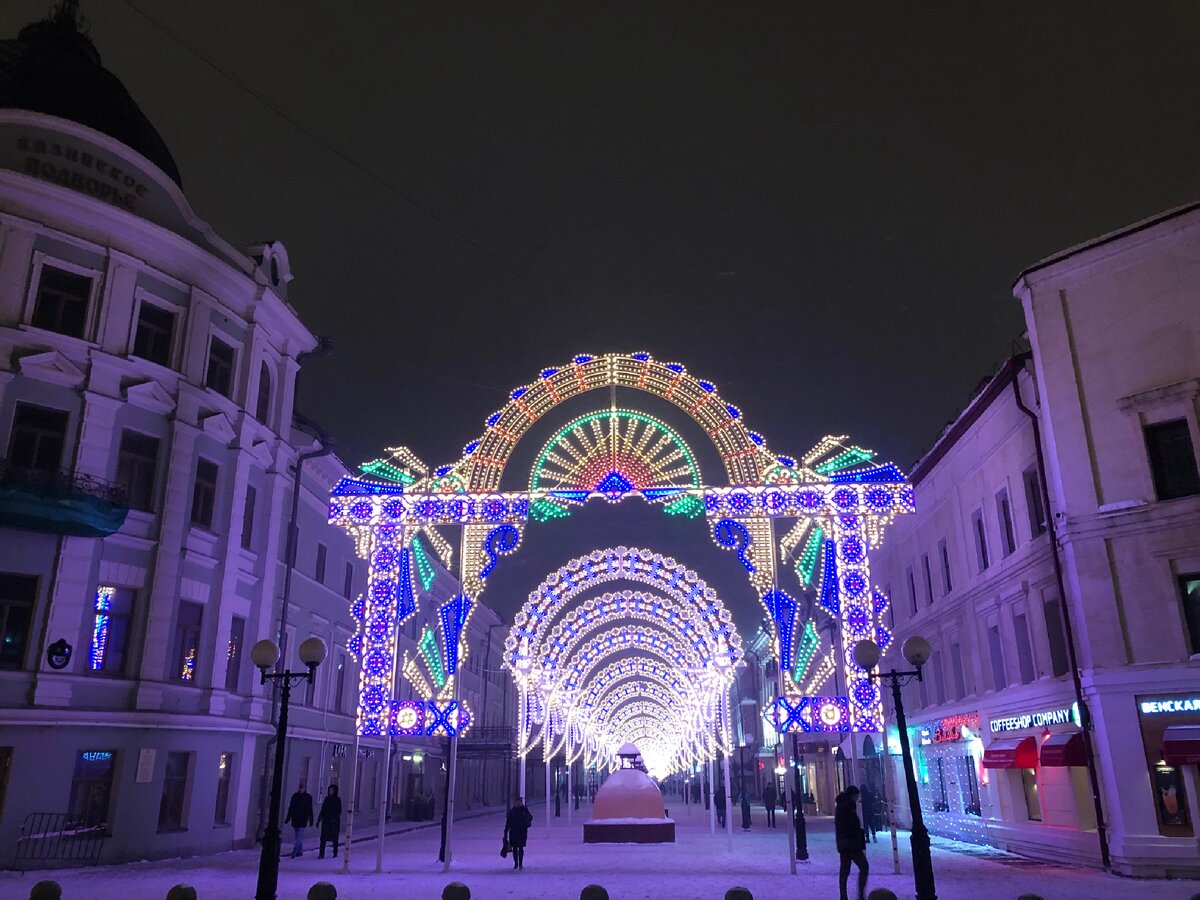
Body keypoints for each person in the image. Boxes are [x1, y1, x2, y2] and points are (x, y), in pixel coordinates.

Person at [835, 786, 869, 900]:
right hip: (851, 843)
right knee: (863, 866)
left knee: (845, 870)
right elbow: (849, 825)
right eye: (856, 796)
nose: (857, 798)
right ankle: (859, 894)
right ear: (852, 795)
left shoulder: (843, 806)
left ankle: (843, 895)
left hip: (844, 843)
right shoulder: (847, 807)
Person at [285, 781, 315, 858]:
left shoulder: (308, 797)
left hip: (302, 819)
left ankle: (295, 851)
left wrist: (311, 818)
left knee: (299, 836)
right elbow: (291, 807)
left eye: (302, 788)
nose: (301, 789)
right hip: (295, 818)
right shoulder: (295, 796)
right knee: (297, 836)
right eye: (300, 788)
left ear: (304, 789)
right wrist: (288, 817)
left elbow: (309, 809)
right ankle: (300, 851)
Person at [504, 795, 533, 870]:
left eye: (518, 802)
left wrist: (525, 814)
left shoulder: (524, 810)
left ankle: (520, 864)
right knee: (514, 848)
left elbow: (530, 817)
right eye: (516, 802)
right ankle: (516, 863)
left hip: (522, 832)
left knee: (520, 848)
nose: (517, 804)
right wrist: (505, 832)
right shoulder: (511, 812)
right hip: (513, 832)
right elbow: (508, 823)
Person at [317, 784, 342, 859]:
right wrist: (318, 820)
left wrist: (334, 818)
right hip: (326, 822)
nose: (330, 792)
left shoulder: (337, 800)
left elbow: (339, 811)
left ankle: (335, 852)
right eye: (329, 790)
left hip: (334, 822)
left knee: (334, 839)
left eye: (331, 790)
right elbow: (323, 810)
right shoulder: (326, 799)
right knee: (323, 839)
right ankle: (321, 854)